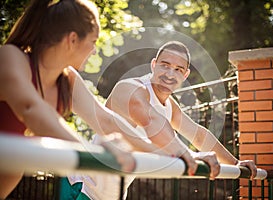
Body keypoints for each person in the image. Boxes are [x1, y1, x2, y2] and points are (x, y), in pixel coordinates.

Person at [0, 0, 165, 199]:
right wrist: (91, 153)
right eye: (93, 42)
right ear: (72, 40)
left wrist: (167, 155)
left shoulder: (67, 80)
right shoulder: (11, 57)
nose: (94, 50)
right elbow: (29, 109)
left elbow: (105, 120)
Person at [75, 41, 258, 199]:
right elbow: (152, 121)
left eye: (178, 69)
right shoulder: (131, 88)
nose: (170, 74)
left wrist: (235, 163)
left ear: (185, 75)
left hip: (111, 195)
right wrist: (191, 156)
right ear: (153, 65)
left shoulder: (170, 106)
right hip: (81, 188)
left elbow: (199, 136)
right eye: (165, 65)